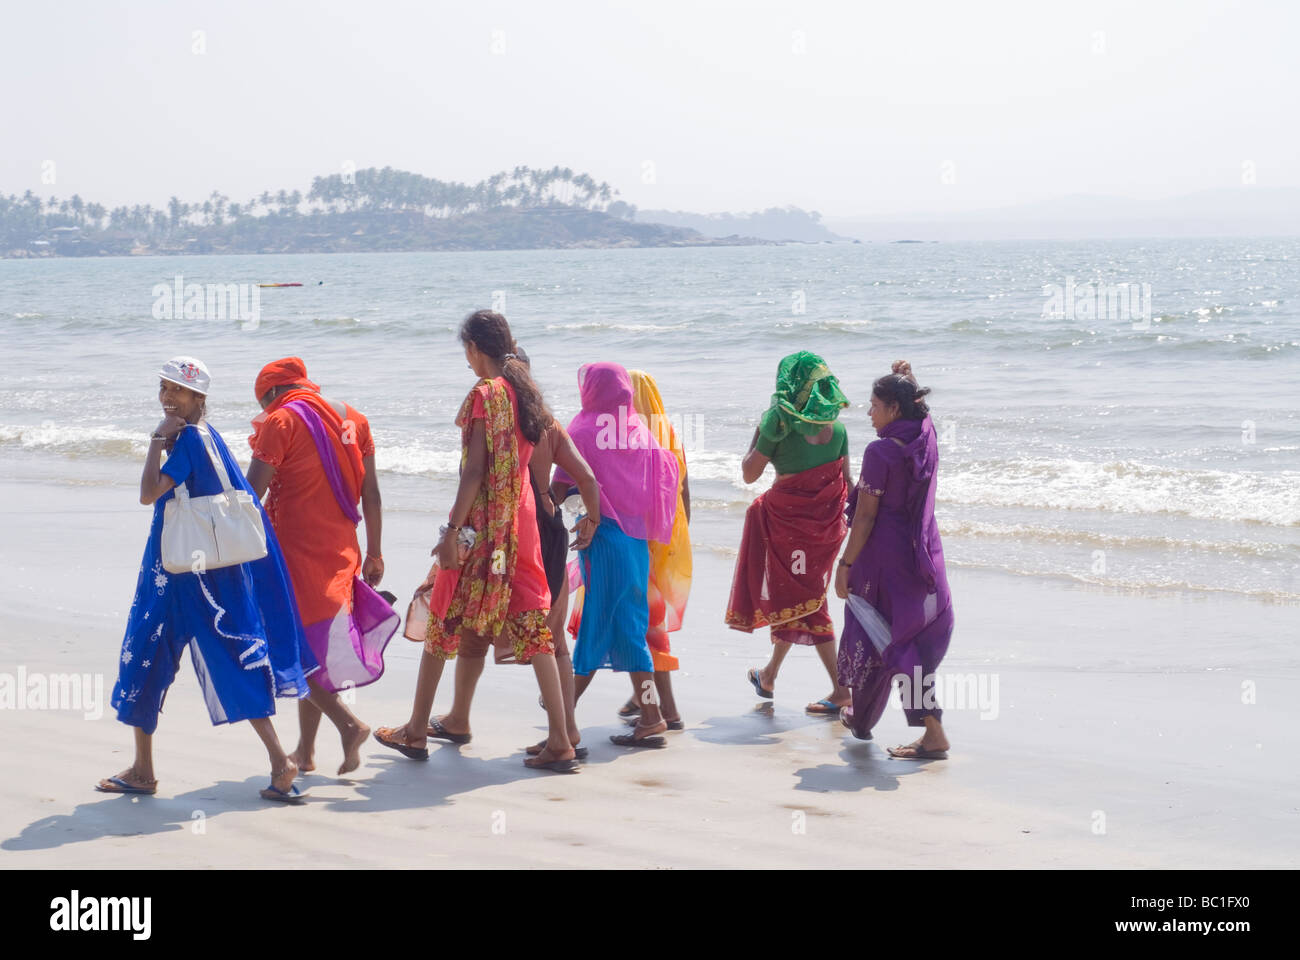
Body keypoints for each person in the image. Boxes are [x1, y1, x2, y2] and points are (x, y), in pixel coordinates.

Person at [373, 310, 582, 773]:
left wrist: (452, 532)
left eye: (465, 351)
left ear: (473, 348)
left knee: (443, 616)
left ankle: (415, 729)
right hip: (518, 530)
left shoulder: (485, 394)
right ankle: (561, 739)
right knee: (533, 627)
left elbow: (474, 471)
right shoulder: (527, 395)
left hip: (481, 531)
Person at [99, 357, 310, 802]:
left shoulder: (188, 441)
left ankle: (147, 770)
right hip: (203, 576)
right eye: (163, 388)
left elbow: (147, 494)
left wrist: (157, 440)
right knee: (223, 659)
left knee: (146, 657)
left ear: (199, 398)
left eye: (178, 390)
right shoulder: (208, 436)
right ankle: (277, 762)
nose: (167, 397)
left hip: (178, 579)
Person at [246, 357, 398, 777]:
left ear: (274, 394)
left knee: (290, 651)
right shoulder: (353, 418)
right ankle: (306, 751)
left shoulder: (282, 422)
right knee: (312, 651)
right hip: (342, 551)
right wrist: (376, 552)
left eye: (265, 403)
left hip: (296, 555)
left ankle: (349, 726)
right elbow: (372, 494)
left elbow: (250, 495)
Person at [553, 362, 680, 748]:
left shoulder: (584, 428)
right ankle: (652, 716)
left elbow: (560, 487)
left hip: (604, 541)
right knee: (630, 631)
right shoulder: (637, 429)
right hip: (636, 543)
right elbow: (669, 468)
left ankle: (562, 724)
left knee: (595, 628)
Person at [835, 361, 954, 758]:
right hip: (923, 555)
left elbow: (865, 517)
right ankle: (862, 719)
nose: (869, 413)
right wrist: (912, 380)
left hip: (885, 564)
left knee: (892, 643)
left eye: (874, 405)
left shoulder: (881, 451)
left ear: (894, 409)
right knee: (898, 639)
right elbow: (925, 418)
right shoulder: (925, 439)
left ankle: (933, 732)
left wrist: (844, 564)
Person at [726, 351, 853, 714]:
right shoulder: (840, 430)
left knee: (811, 603)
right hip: (825, 533)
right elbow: (846, 484)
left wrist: (761, 432)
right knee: (798, 597)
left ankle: (842, 690)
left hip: (787, 529)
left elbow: (750, 474)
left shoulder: (777, 425)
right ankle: (768, 675)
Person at [514, 349, 603, 762]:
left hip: (522, 530)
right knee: (556, 641)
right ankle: (567, 730)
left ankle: (560, 742)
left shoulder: (505, 421)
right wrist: (590, 522)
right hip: (552, 529)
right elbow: (587, 478)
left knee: (537, 637)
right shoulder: (547, 422)